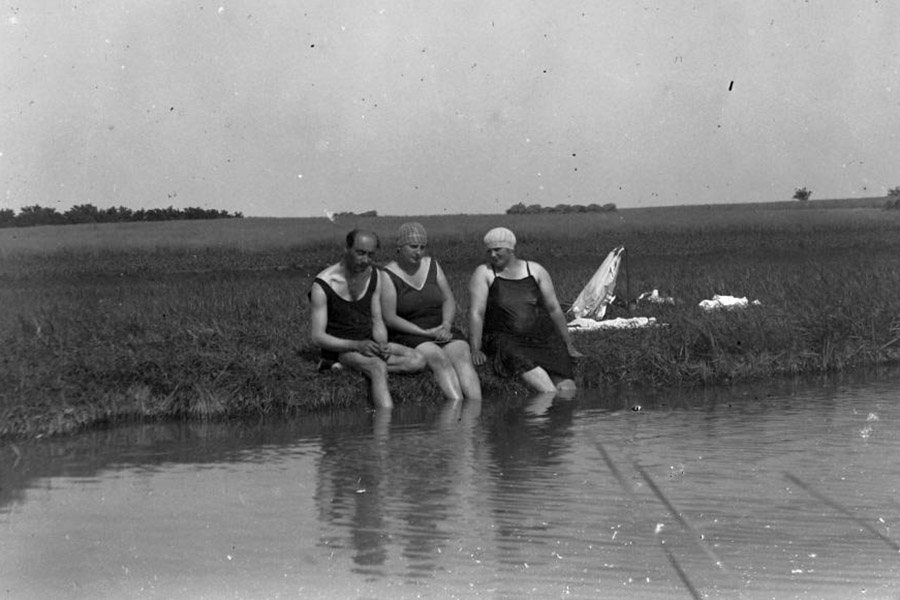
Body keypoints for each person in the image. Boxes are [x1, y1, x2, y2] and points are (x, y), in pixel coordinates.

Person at [309, 229, 426, 409]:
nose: (365, 260)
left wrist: (382, 344)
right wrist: (356, 345)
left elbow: (377, 319)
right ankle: (384, 429)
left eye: (371, 255)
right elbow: (317, 337)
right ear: (346, 249)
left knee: (418, 360)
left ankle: (341, 367)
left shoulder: (375, 275)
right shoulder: (323, 284)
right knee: (378, 366)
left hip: (369, 344)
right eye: (360, 253)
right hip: (341, 347)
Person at [468, 227, 583, 394]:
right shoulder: (484, 273)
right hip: (505, 339)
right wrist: (475, 348)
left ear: (510, 249)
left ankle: (555, 418)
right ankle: (540, 415)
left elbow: (553, 308)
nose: (492, 255)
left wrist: (568, 344)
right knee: (548, 392)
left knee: (568, 390)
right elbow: (476, 313)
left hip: (542, 338)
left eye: (497, 250)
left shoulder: (535, 270)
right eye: (489, 251)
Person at [381, 222, 482, 403]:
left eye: (422, 247)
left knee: (461, 353)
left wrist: (446, 325)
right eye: (413, 247)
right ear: (399, 247)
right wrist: (424, 333)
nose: (418, 252)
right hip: (409, 332)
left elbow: (448, 299)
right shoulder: (387, 274)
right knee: (438, 357)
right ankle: (456, 408)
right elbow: (390, 318)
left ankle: (475, 411)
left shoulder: (432, 265)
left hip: (439, 327)